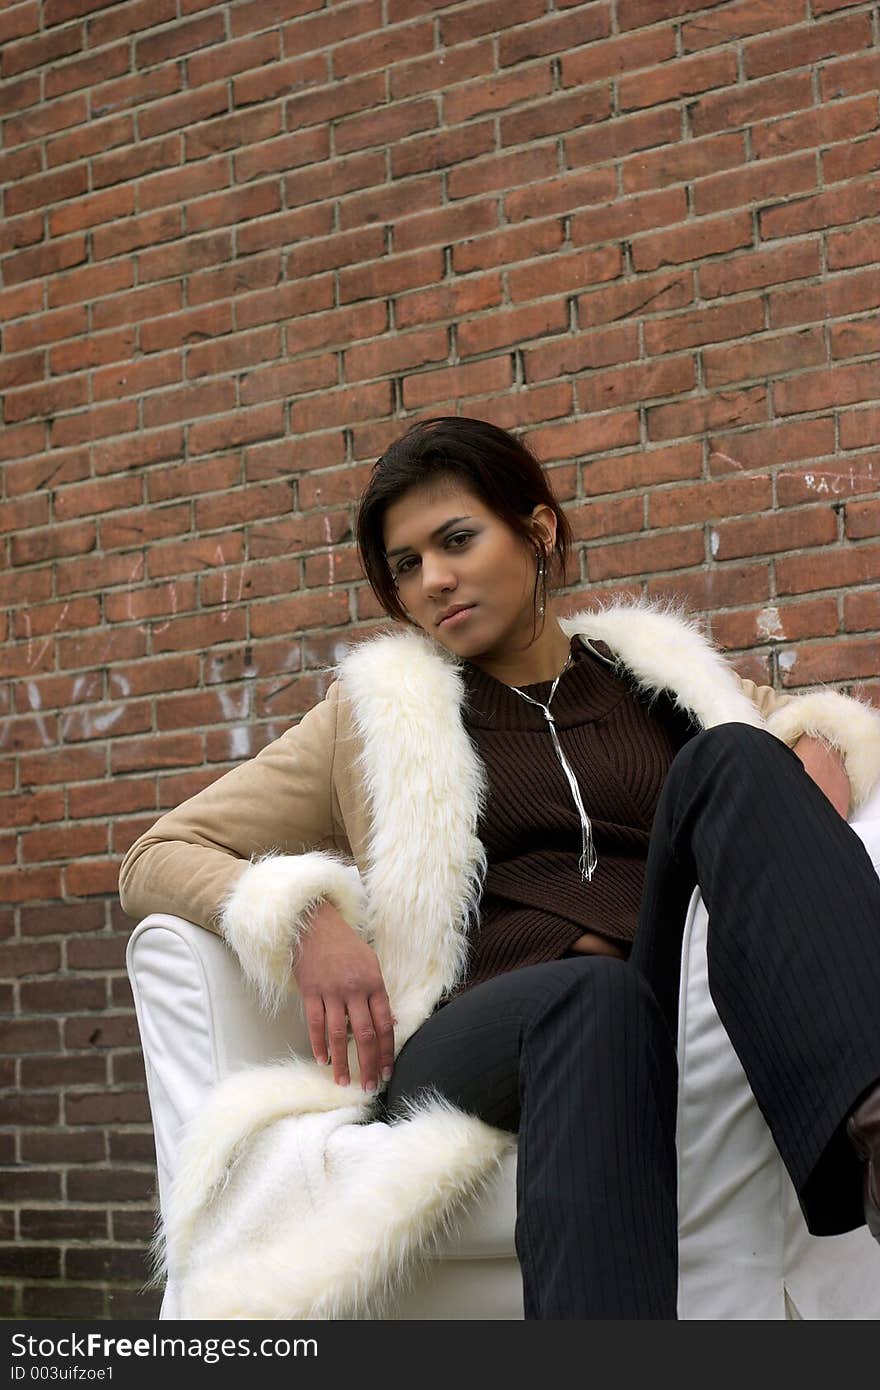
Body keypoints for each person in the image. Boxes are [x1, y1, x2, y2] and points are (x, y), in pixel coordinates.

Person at [119, 416, 880, 1320]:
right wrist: (302, 917)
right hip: (480, 1030)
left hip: (666, 991)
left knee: (740, 758)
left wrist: (823, 744)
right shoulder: (372, 719)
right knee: (585, 998)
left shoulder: (656, 679)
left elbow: (804, 723)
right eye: (405, 565)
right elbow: (156, 852)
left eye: (455, 540)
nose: (433, 580)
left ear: (538, 530)